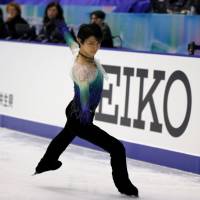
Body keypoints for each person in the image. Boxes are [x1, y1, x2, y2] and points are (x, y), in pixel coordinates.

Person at [34, 23, 139, 197]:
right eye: (91, 43)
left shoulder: (79, 50)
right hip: (80, 116)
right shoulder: (81, 70)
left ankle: (45, 163)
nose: (95, 47)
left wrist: (62, 28)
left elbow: (70, 42)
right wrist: (85, 114)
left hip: (74, 109)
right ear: (81, 41)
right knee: (117, 148)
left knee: (65, 136)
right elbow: (83, 93)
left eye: (98, 42)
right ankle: (125, 187)